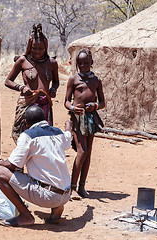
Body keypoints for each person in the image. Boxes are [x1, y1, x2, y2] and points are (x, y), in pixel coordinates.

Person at [0, 106, 72, 227]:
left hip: (48, 196)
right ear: (44, 118)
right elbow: (68, 136)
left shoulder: (28, 136)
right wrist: (68, 126)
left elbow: (14, 165)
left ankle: (25, 216)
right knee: (51, 172)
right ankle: (57, 209)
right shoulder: (58, 133)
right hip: (66, 195)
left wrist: (2, 162)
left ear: (26, 123)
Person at [4, 24, 59, 143]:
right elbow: (8, 81)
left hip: (45, 103)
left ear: (46, 47)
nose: (37, 51)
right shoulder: (23, 61)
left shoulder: (52, 63)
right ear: (29, 47)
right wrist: (21, 88)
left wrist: (53, 90)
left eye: (41, 48)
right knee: (25, 135)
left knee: (44, 137)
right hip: (27, 103)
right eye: (34, 48)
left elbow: (56, 81)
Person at [64, 49, 105, 199]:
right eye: (80, 63)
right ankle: (72, 187)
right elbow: (66, 102)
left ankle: (82, 186)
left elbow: (102, 102)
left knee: (88, 153)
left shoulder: (96, 81)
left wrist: (95, 106)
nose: (83, 66)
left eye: (86, 63)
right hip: (78, 118)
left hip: (91, 118)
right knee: (82, 151)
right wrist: (73, 108)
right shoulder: (73, 79)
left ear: (91, 63)